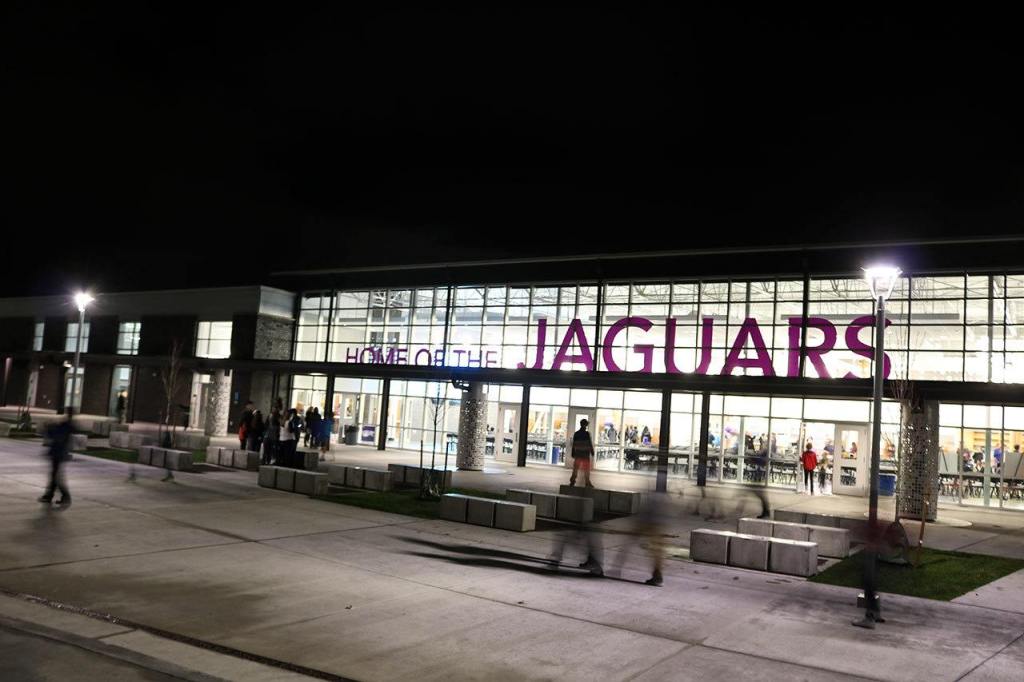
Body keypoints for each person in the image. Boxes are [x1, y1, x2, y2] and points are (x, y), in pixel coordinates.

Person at [39, 410, 73, 509]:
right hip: (57, 454)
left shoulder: (65, 426)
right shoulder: (66, 425)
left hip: (58, 454)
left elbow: (57, 437)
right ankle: (50, 496)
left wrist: (49, 428)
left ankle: (63, 496)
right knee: (54, 476)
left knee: (55, 477)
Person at [568, 418, 595, 487]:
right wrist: (592, 451)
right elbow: (589, 443)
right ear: (585, 425)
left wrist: (573, 452)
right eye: (586, 425)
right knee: (586, 469)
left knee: (576, 468)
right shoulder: (587, 434)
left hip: (578, 453)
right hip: (585, 454)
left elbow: (574, 444)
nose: (586, 426)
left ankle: (572, 481)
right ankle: (587, 482)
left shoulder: (576, 433)